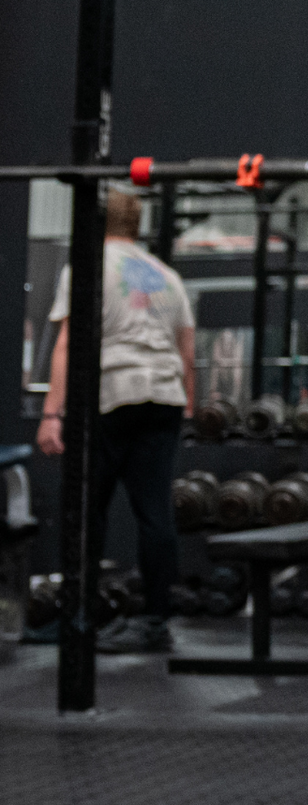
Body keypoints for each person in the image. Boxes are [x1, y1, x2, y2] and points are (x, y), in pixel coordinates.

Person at [38, 187, 196, 654]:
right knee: (154, 512)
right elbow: (188, 353)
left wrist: (51, 413)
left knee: (88, 511)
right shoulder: (168, 277)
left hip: (115, 395)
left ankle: (80, 617)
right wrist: (184, 411)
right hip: (164, 397)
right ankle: (155, 620)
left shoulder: (87, 266)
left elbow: (68, 343)